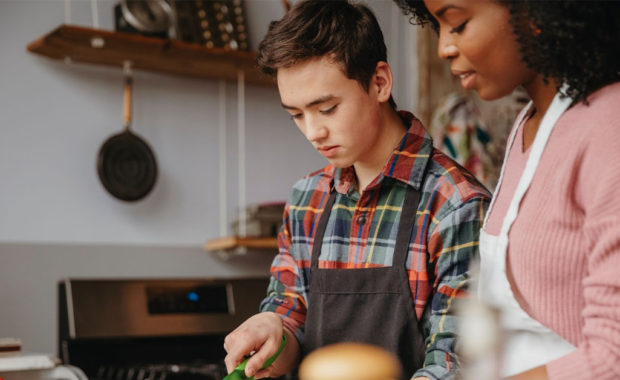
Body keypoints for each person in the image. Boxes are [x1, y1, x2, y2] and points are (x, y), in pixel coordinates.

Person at [222, 1, 491, 379]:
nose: (313, 132)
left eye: (327, 108)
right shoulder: (306, 199)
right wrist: (273, 329)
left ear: (379, 83)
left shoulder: (456, 204)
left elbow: (456, 364)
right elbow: (291, 316)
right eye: (297, 115)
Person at [393, 0, 620, 379]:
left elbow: (613, 357)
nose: (443, 48)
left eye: (458, 24)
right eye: (438, 28)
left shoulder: (609, 126)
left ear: (534, 13)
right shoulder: (527, 125)